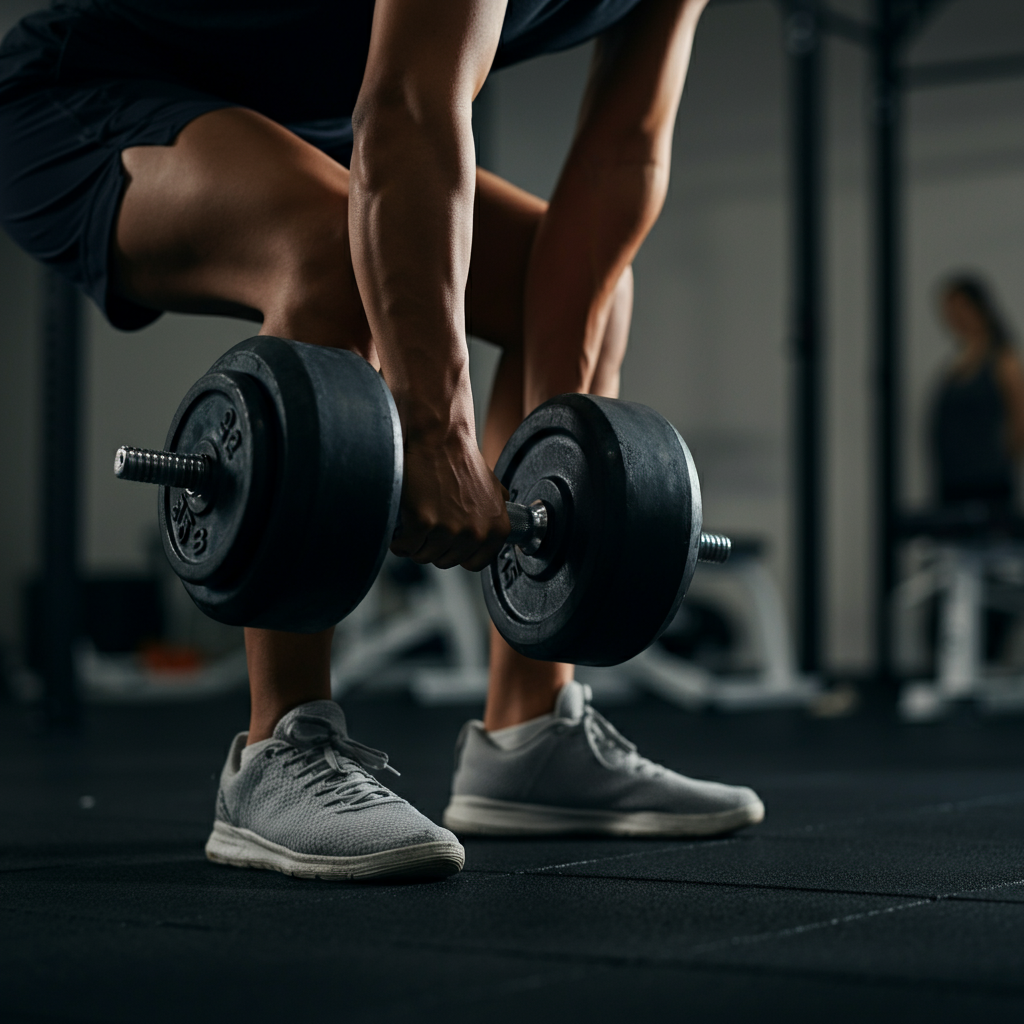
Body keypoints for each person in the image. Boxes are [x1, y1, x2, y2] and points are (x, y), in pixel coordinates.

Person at [0, 0, 764, 881]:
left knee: (581, 284)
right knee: (331, 244)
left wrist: (559, 457)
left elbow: (623, 152)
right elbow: (407, 105)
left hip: (312, 128)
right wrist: (434, 430)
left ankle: (528, 740)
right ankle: (276, 750)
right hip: (90, 93)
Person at [931, 275, 1024, 512]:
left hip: (988, 486)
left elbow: (1019, 420)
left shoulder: (1003, 360)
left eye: (960, 309)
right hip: (953, 484)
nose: (955, 317)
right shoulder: (954, 366)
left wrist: (997, 459)